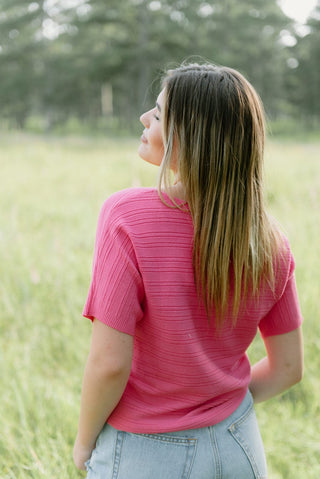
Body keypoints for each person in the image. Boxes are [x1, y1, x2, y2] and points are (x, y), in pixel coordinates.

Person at [73, 63, 303, 478]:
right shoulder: (271, 242)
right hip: (240, 447)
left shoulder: (126, 215)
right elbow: (288, 369)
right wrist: (216, 401)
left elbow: (109, 363)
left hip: (146, 453)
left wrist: (84, 442)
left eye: (159, 114)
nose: (145, 118)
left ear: (191, 137)